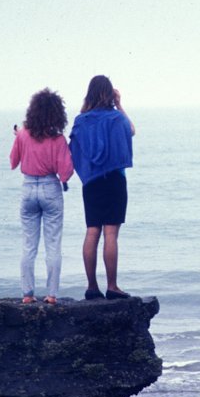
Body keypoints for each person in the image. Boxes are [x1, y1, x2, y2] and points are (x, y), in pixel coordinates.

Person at [69, 75, 136, 300]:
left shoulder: (81, 120)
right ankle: (113, 286)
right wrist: (120, 104)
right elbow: (132, 130)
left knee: (92, 230)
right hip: (114, 179)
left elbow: (76, 147)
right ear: (110, 94)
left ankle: (91, 287)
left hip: (91, 182)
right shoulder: (116, 118)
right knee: (111, 233)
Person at [9, 88, 74, 305]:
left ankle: (27, 294)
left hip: (28, 187)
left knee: (29, 244)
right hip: (50, 186)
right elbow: (65, 173)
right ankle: (51, 294)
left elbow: (13, 162)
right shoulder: (58, 139)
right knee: (53, 244)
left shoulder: (23, 134)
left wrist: (19, 136)